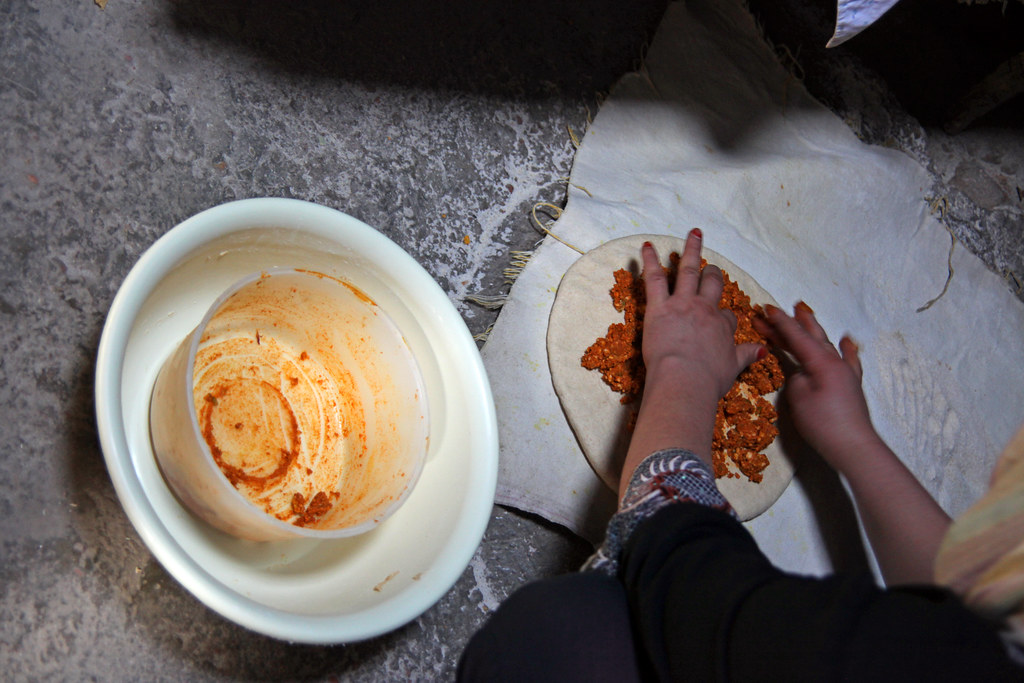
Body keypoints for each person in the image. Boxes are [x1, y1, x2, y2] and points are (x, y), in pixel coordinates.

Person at [458, 228, 1023, 681]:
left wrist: (684, 367)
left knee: (550, 633)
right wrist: (855, 440)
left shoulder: (838, 656)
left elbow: (671, 559)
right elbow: (979, 608)